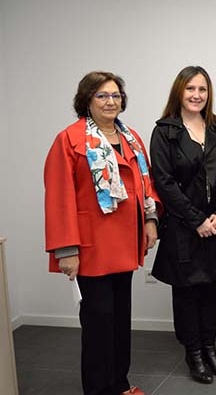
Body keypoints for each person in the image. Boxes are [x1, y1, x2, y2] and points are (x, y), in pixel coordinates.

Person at [44, 71, 161, 395]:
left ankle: (119, 384)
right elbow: (58, 197)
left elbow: (144, 185)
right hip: (91, 246)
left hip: (125, 244)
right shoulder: (69, 139)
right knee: (98, 324)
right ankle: (99, 389)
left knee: (120, 321)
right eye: (102, 95)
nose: (111, 101)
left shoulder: (130, 138)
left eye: (116, 95)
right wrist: (66, 249)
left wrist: (150, 221)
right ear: (86, 100)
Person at [150, 66, 216, 384]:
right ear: (179, 91)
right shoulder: (165, 131)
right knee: (187, 291)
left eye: (202, 89)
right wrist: (197, 220)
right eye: (190, 88)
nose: (196, 95)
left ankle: (209, 347)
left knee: (212, 288)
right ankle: (193, 353)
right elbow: (163, 182)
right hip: (183, 228)